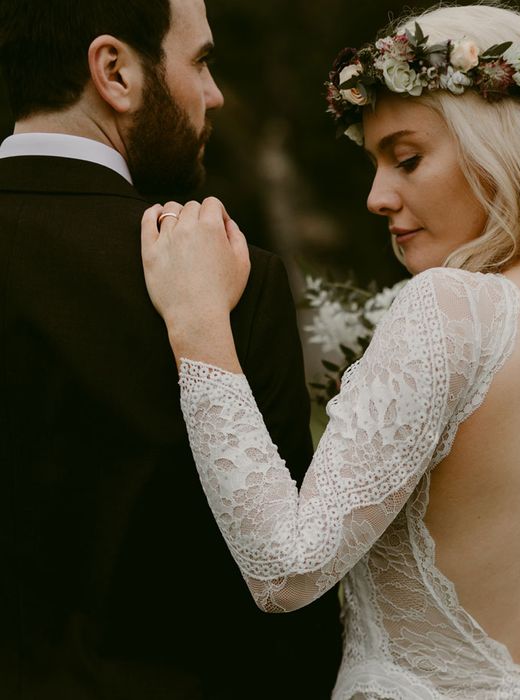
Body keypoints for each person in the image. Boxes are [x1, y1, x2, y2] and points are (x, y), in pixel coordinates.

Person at [140, 5, 520, 699]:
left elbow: (285, 571)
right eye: (375, 164)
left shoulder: (454, 310)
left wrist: (198, 325)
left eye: (407, 158)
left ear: (504, 143)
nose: (378, 197)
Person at [0, 1, 340, 698]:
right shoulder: (232, 272)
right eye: (202, 61)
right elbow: (280, 598)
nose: (214, 94)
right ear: (115, 71)